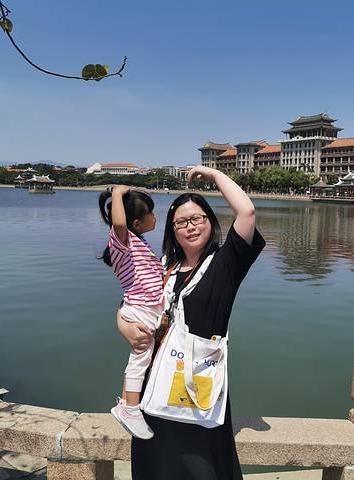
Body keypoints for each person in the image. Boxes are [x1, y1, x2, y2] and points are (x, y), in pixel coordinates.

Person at [117, 166, 265, 480]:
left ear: (210, 221)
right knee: (155, 466)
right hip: (155, 384)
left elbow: (247, 212)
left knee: (202, 467)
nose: (191, 227)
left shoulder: (226, 263)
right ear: (172, 230)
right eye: (181, 222)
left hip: (198, 386)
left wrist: (215, 175)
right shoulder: (162, 266)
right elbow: (129, 303)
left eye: (197, 218)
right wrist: (124, 326)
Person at [99, 186, 164, 440]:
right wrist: (117, 194)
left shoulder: (140, 243)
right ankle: (130, 409)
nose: (155, 217)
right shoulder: (123, 243)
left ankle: (126, 404)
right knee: (140, 358)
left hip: (145, 308)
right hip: (139, 309)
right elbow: (118, 224)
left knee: (142, 358)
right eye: (151, 213)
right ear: (136, 222)